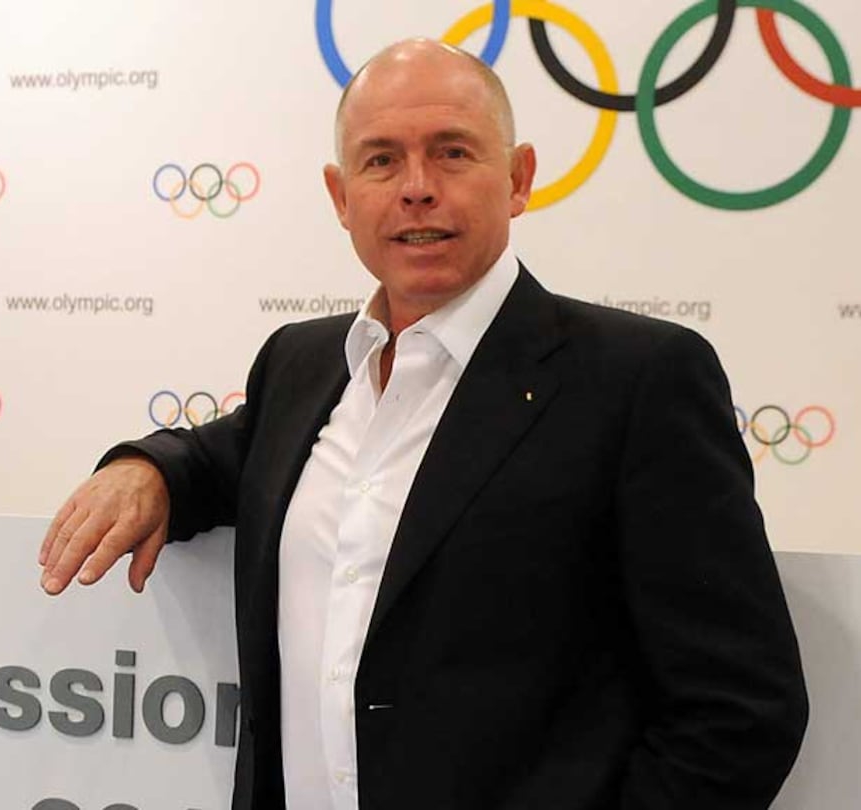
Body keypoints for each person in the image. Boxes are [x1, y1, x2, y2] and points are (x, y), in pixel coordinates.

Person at [39, 39, 808, 810]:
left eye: (452, 153)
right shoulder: (299, 364)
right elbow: (221, 459)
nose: (417, 189)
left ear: (518, 179)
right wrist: (144, 469)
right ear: (341, 197)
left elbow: (741, 710)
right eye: (381, 160)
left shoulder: (639, 379)